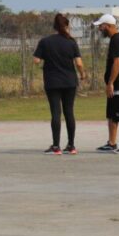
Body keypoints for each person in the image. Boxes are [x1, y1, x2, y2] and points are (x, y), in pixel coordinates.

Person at [33, 13, 87, 155]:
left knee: (56, 113)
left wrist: (47, 58)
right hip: (69, 81)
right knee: (69, 112)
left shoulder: (45, 41)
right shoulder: (71, 42)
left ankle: (56, 146)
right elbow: (79, 63)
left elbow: (36, 60)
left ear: (54, 27)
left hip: (52, 81)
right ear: (67, 26)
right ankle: (71, 145)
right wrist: (82, 75)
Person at [93, 14, 119, 154]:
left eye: (101, 26)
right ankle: (111, 143)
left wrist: (111, 82)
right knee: (112, 114)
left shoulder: (117, 40)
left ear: (108, 26)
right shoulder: (115, 39)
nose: (100, 29)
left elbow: (118, 62)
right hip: (115, 85)